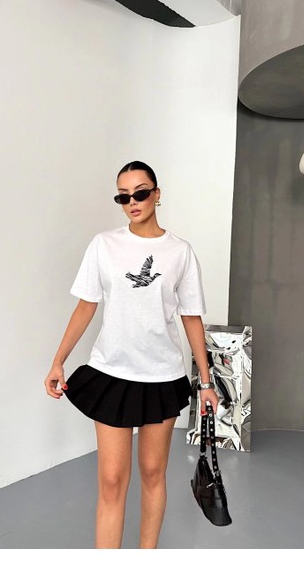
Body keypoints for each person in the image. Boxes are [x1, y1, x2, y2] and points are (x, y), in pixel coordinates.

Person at [44, 160, 218, 549]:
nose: (132, 202)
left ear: (157, 194)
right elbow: (86, 305)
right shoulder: (103, 245)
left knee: (153, 474)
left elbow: (191, 318)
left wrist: (206, 382)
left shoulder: (180, 252)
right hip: (111, 373)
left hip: (162, 376)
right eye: (123, 197)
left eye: (140, 193)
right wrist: (58, 361)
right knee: (111, 480)